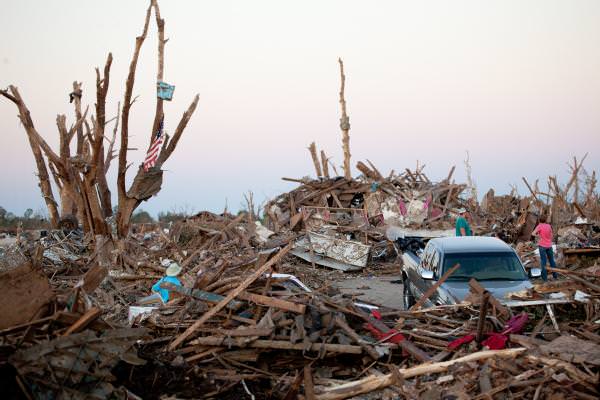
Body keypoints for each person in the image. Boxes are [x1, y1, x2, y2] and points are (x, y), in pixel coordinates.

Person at [532, 214, 558, 281]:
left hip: (542, 246)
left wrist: (538, 236)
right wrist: (548, 240)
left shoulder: (539, 226)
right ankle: (555, 276)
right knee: (552, 261)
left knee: (543, 262)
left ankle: (545, 279)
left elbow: (533, 233)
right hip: (549, 245)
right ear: (545, 220)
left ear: (539, 220)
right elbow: (552, 236)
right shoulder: (549, 226)